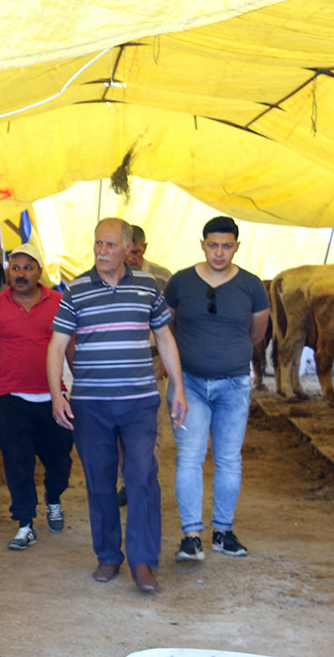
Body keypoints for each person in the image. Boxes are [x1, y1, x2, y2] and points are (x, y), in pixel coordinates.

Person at [47, 218, 188, 593]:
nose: (102, 251)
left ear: (128, 248)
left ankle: (143, 562)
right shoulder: (75, 289)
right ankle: (109, 556)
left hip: (140, 402)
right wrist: (57, 393)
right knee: (99, 481)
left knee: (142, 476)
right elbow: (57, 345)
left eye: (110, 245)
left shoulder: (147, 287)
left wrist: (179, 388)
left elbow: (165, 337)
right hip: (91, 404)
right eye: (98, 244)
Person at [164, 216, 269, 561]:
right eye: (213, 245)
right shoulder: (180, 282)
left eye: (226, 246)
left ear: (237, 246)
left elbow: (256, 334)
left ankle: (223, 531)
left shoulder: (252, 286)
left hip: (234, 385)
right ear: (202, 244)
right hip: (189, 383)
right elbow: (168, 328)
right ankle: (191, 536)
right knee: (190, 458)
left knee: (228, 460)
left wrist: (227, 356)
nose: (219, 252)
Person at [0, 244, 74, 551]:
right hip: (11, 398)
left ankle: (54, 497)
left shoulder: (58, 302)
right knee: (17, 463)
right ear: (8, 272)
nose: (21, 274)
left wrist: (84, 383)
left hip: (54, 399)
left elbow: (70, 347)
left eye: (28, 268)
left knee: (60, 462)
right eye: (16, 268)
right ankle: (25, 523)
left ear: (40, 272)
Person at [117, 224, 174, 507]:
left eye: (136, 252)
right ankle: (126, 482)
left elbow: (175, 320)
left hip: (152, 359)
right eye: (126, 251)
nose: (130, 258)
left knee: (152, 424)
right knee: (120, 424)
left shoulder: (163, 278)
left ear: (145, 248)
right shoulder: (107, 275)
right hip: (117, 362)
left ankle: (145, 479)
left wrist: (168, 357)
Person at [126, 224, 172, 292]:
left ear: (144, 247)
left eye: (136, 252)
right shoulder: (109, 274)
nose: (130, 258)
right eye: (125, 252)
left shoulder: (163, 276)